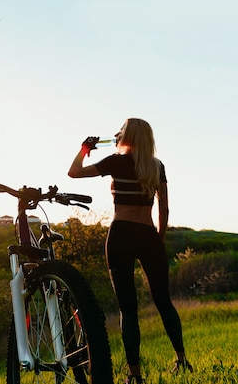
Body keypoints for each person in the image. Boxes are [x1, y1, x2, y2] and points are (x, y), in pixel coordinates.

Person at [68, 118, 192, 384]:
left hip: (121, 234)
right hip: (148, 235)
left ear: (129, 135)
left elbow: (73, 173)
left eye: (122, 130)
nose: (118, 133)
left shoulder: (116, 161)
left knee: (128, 309)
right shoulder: (156, 166)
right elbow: (164, 209)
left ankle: (135, 376)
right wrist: (159, 240)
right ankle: (182, 360)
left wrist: (83, 150)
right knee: (163, 301)